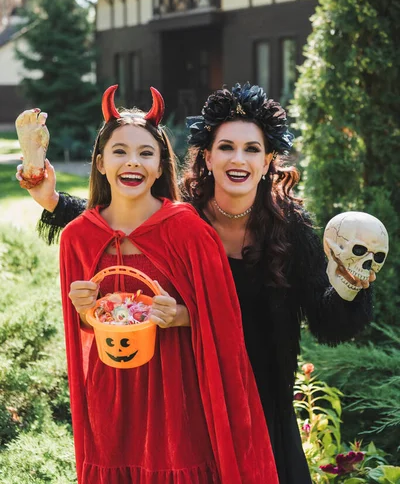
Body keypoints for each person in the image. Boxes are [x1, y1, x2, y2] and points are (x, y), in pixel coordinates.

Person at [18, 83, 374, 484]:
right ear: (207, 155)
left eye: (252, 149)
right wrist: (51, 200)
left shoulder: (289, 229)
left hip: (261, 389)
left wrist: (351, 280)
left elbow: (326, 320)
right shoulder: (183, 215)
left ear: (268, 160)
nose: (238, 159)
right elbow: (123, 222)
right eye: (226, 147)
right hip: (192, 386)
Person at [31, 85, 279, 484]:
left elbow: (224, 320)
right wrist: (83, 311)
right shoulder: (79, 236)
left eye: (146, 153)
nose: (133, 162)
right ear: (100, 163)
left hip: (176, 394)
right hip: (111, 394)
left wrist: (182, 315)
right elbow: (84, 333)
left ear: (162, 167)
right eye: (120, 152)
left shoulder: (188, 231)